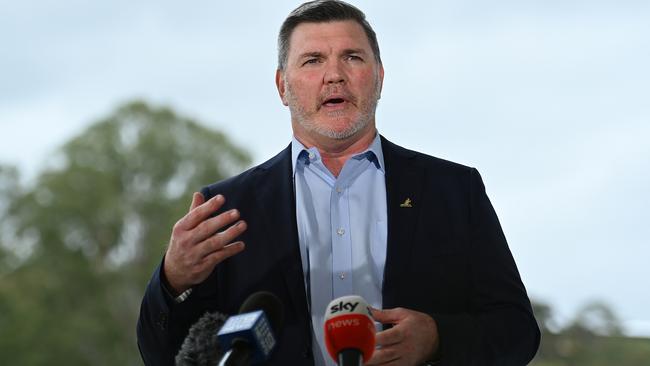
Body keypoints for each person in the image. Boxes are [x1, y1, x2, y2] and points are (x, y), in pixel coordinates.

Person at [136, 1, 540, 365]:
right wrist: (173, 281)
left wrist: (438, 339)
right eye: (312, 60)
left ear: (379, 78)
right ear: (282, 86)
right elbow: (163, 355)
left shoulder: (454, 191)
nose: (334, 75)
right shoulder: (227, 208)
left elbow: (517, 332)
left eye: (352, 57)